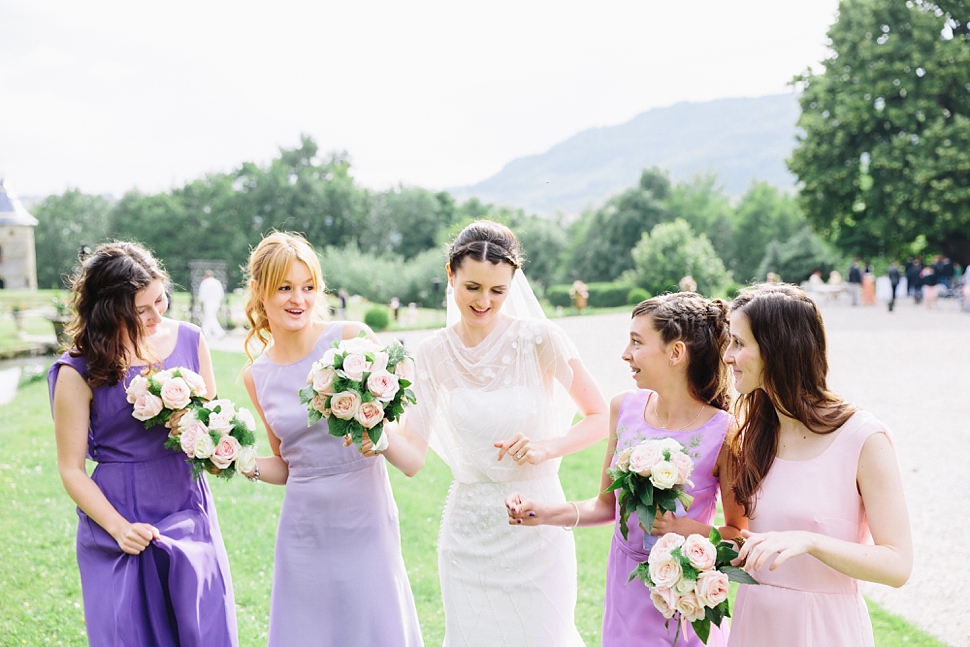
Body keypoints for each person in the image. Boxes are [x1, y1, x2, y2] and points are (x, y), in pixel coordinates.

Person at [373, 220, 609, 646]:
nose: (484, 301)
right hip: (469, 536)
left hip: (538, 525)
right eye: (473, 288)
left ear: (513, 284)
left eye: (497, 291)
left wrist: (545, 447)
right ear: (451, 275)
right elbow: (412, 458)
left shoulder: (540, 339)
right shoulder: (431, 354)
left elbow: (600, 415)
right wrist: (374, 430)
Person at [505, 292, 746, 647]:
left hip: (685, 593)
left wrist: (689, 529)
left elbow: (739, 535)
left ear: (676, 353)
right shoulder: (625, 408)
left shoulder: (726, 431)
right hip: (626, 586)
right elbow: (606, 507)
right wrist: (541, 513)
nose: (625, 353)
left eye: (636, 342)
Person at [48, 242, 237, 647]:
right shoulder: (76, 370)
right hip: (118, 513)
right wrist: (119, 528)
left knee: (202, 629)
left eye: (160, 300)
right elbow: (70, 468)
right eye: (141, 310)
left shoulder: (192, 340)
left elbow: (210, 428)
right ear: (110, 310)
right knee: (130, 632)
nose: (156, 316)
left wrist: (218, 443)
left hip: (186, 505)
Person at [239, 232, 422, 647]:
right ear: (259, 291)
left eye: (307, 287)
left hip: (365, 517)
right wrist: (238, 462)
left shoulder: (351, 339)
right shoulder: (258, 376)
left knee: (371, 624)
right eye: (284, 288)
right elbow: (286, 464)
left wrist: (377, 436)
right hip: (304, 529)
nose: (297, 299)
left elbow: (400, 434)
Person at [724, 283, 912, 646]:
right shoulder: (754, 434)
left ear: (777, 349)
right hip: (755, 625)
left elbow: (898, 566)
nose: (728, 356)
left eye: (739, 343)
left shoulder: (863, 439)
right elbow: (767, 540)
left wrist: (811, 542)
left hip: (823, 631)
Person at [198, 269, 226, 340]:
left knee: (210, 317)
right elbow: (221, 294)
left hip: (208, 302)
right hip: (216, 302)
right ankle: (205, 333)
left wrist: (201, 300)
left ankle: (220, 333)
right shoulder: (217, 282)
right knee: (209, 318)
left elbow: (202, 294)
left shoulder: (205, 282)